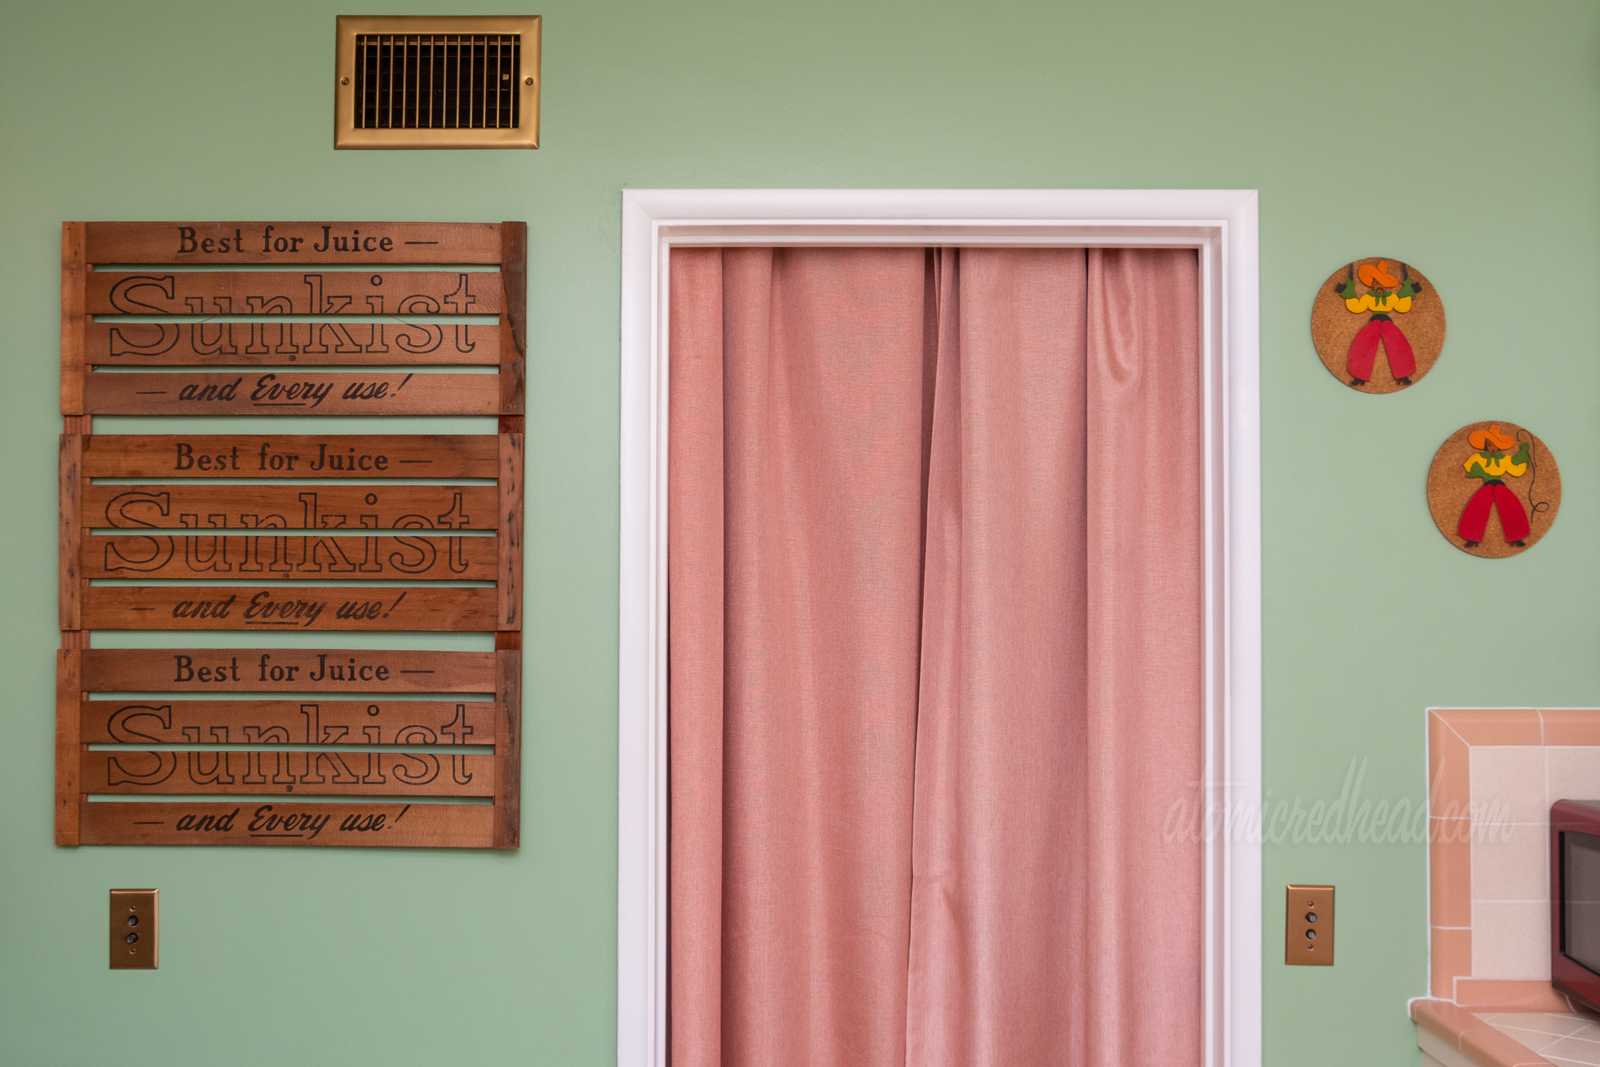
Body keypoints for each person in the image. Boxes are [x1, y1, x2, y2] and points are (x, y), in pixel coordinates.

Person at [1335, 260, 1422, 386]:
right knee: (1363, 346)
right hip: (1373, 322)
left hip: (1387, 322)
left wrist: (1407, 291)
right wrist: (1349, 291)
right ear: (1372, 285)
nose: (1379, 285)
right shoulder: (1368, 297)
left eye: (1382, 283)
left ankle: (1403, 375)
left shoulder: (1391, 297)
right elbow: (1357, 307)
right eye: (1376, 282)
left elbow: (1402, 307)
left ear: (1386, 285)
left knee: (1398, 346)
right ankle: (1359, 376)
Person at [1458, 425, 1531, 548]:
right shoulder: (1478, 458)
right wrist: (1481, 473)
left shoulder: (1505, 459)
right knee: (1477, 509)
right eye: (1490, 444)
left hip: (1500, 485)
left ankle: (1517, 537)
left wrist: (1523, 454)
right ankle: (1471, 538)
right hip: (1487, 485)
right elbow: (1470, 467)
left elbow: (1515, 470)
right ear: (1485, 445)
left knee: (1512, 509)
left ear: (1500, 446)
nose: (1493, 448)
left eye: (1495, 445)